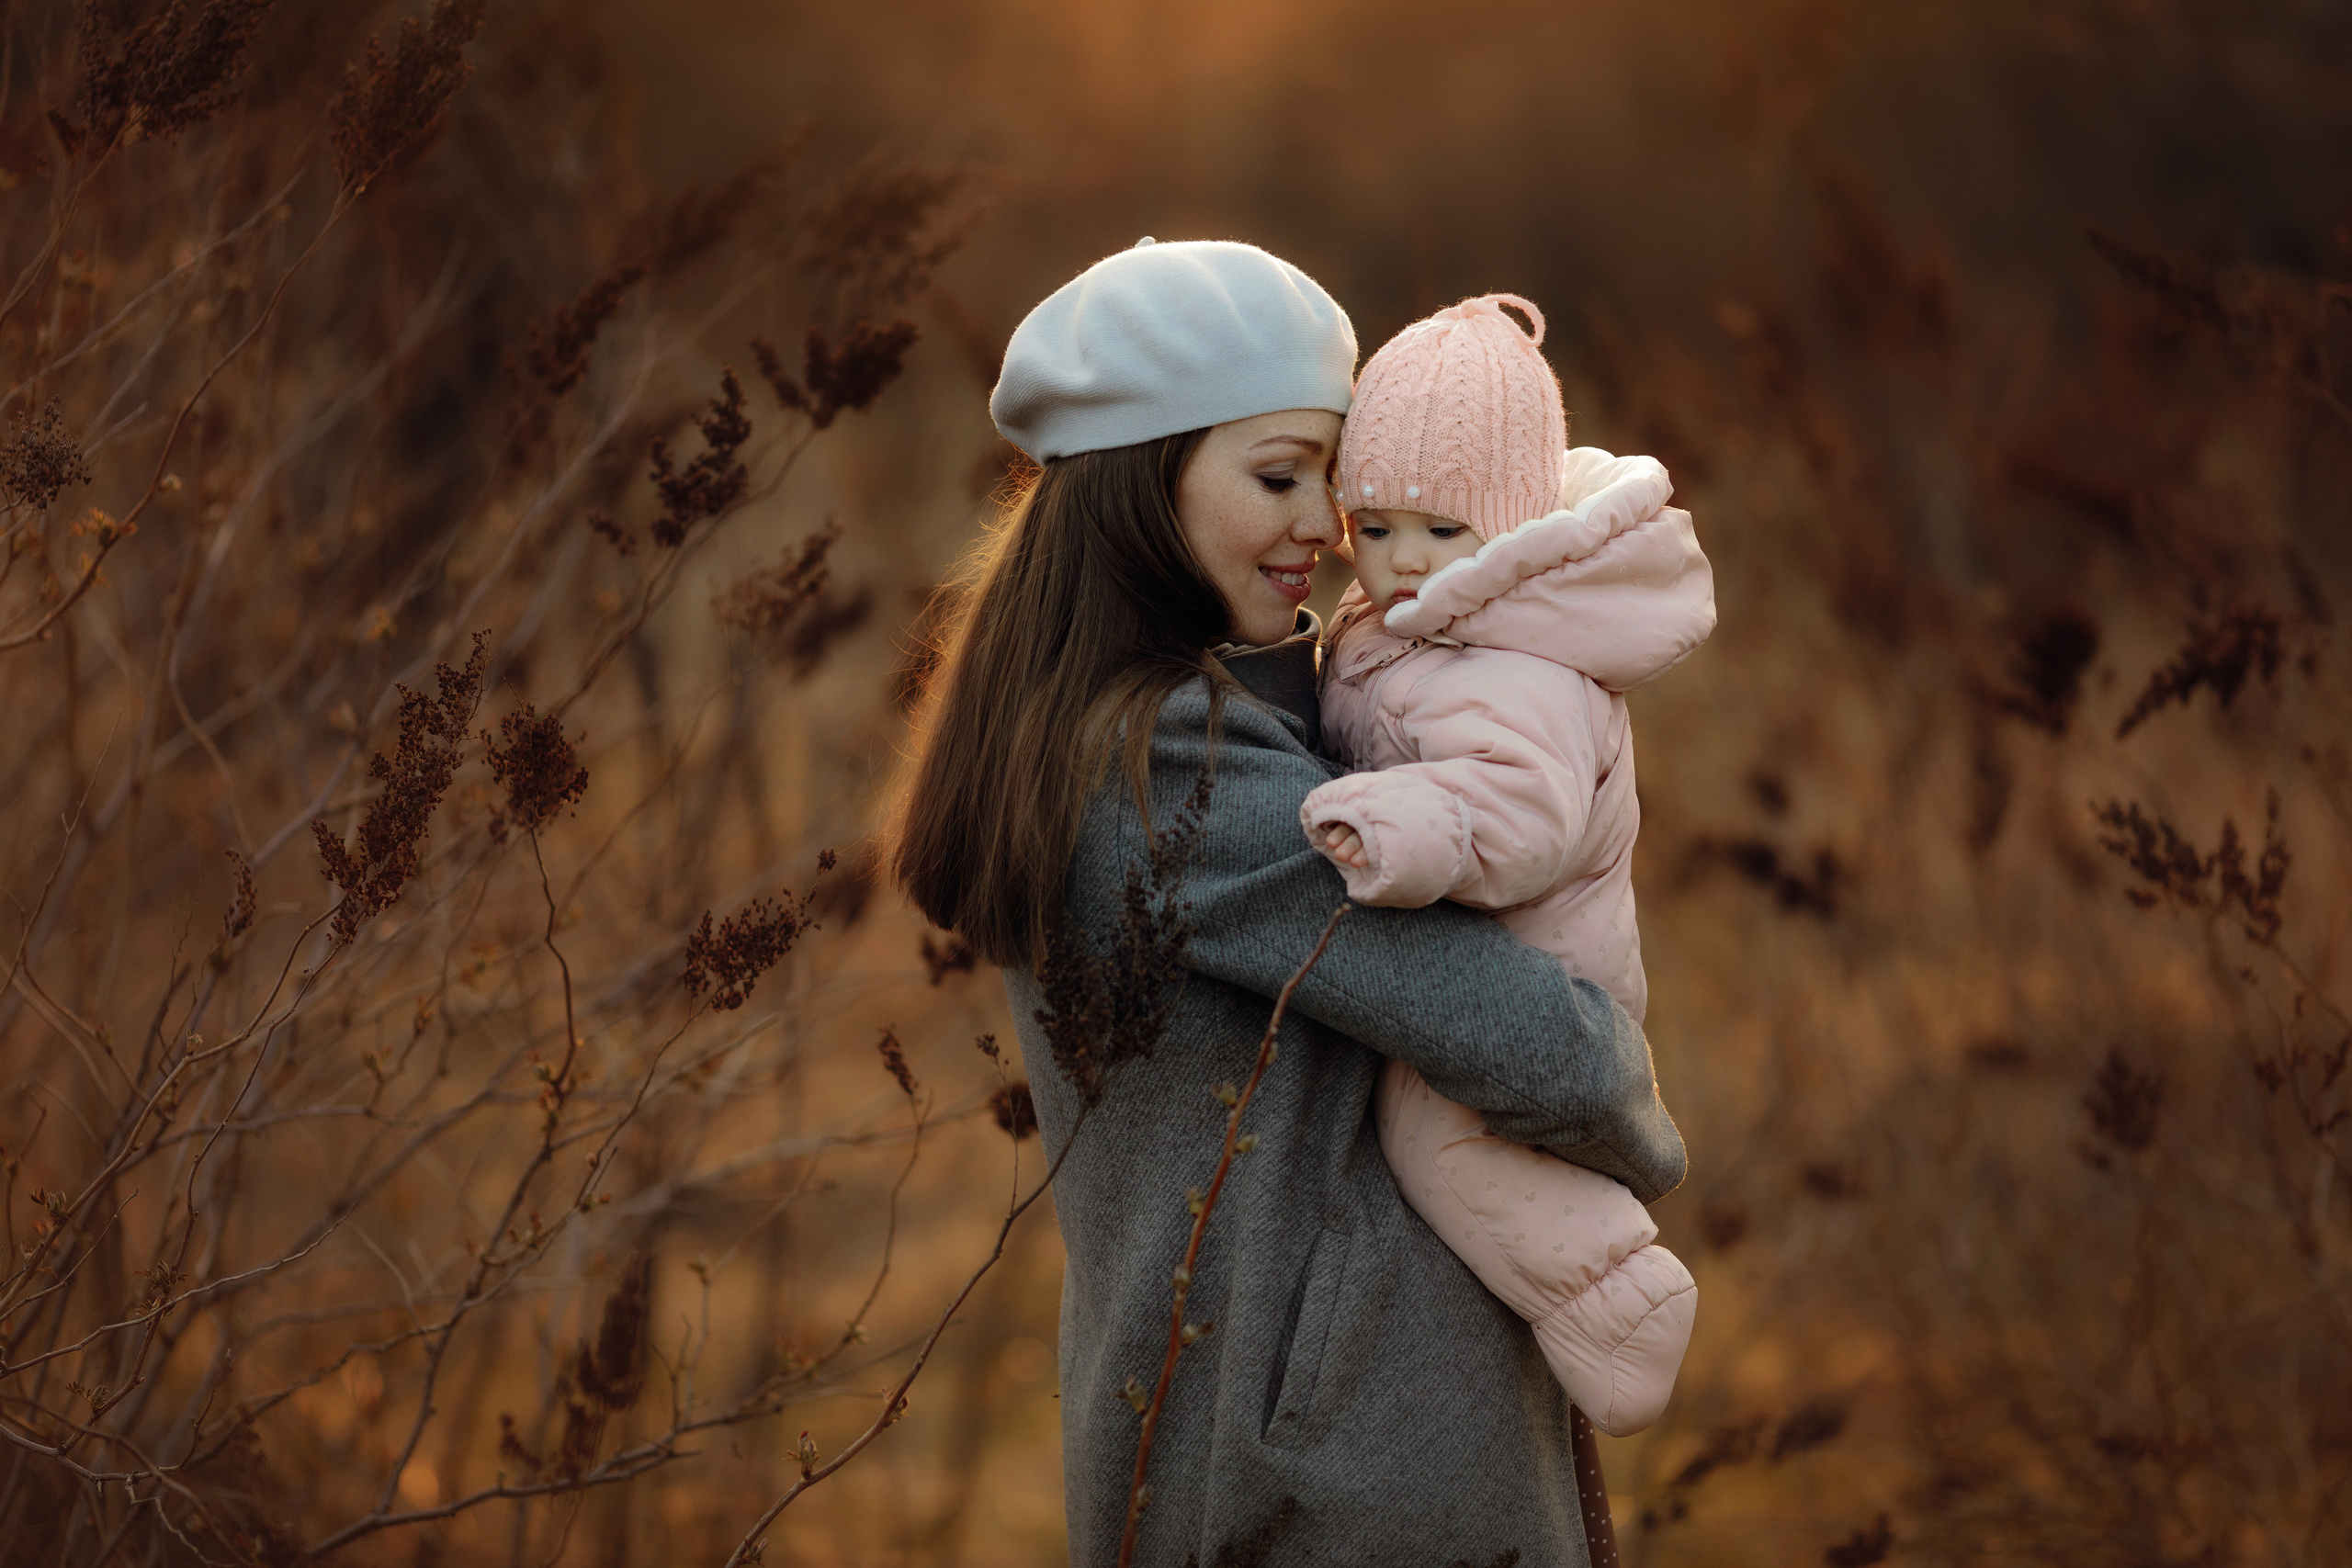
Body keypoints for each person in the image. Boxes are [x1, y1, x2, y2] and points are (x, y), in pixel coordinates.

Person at [888, 239, 1686, 1566]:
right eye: (1279, 474)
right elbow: (1543, 1045)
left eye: (1338, 474)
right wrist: (1630, 1101)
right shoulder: (1171, 775)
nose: (1328, 524)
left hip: (1279, 1433)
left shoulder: (1144, 724)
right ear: (1141, 486)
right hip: (1333, 1466)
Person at [1304, 293, 1715, 1438]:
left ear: (1513, 523)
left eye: (1439, 532)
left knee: (1438, 1143)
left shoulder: (1523, 662)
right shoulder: (1431, 618)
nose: (1397, 562)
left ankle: (1617, 1297)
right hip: (1486, 951)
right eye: (1373, 526)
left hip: (1540, 967)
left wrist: (1398, 828)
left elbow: (1519, 818)